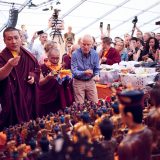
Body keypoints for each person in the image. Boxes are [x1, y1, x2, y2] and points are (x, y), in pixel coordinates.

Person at [0, 27, 40, 129]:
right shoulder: (2, 57)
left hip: (28, 95)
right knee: (12, 127)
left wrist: (33, 76)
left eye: (16, 38)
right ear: (4, 41)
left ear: (20, 39)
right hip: (12, 98)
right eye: (9, 39)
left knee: (30, 126)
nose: (13, 41)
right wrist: (9, 65)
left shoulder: (28, 55)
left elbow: (36, 70)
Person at [117, 89, 153, 160]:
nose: (121, 117)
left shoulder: (125, 146)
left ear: (129, 116)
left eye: (122, 114)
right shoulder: (148, 132)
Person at [71, 34, 100, 104]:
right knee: (80, 105)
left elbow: (96, 69)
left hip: (90, 81)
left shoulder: (95, 54)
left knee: (95, 103)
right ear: (80, 43)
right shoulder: (75, 54)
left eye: (88, 44)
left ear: (92, 45)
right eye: (84, 44)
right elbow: (74, 71)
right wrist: (84, 72)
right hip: (78, 82)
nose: (86, 47)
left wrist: (97, 75)